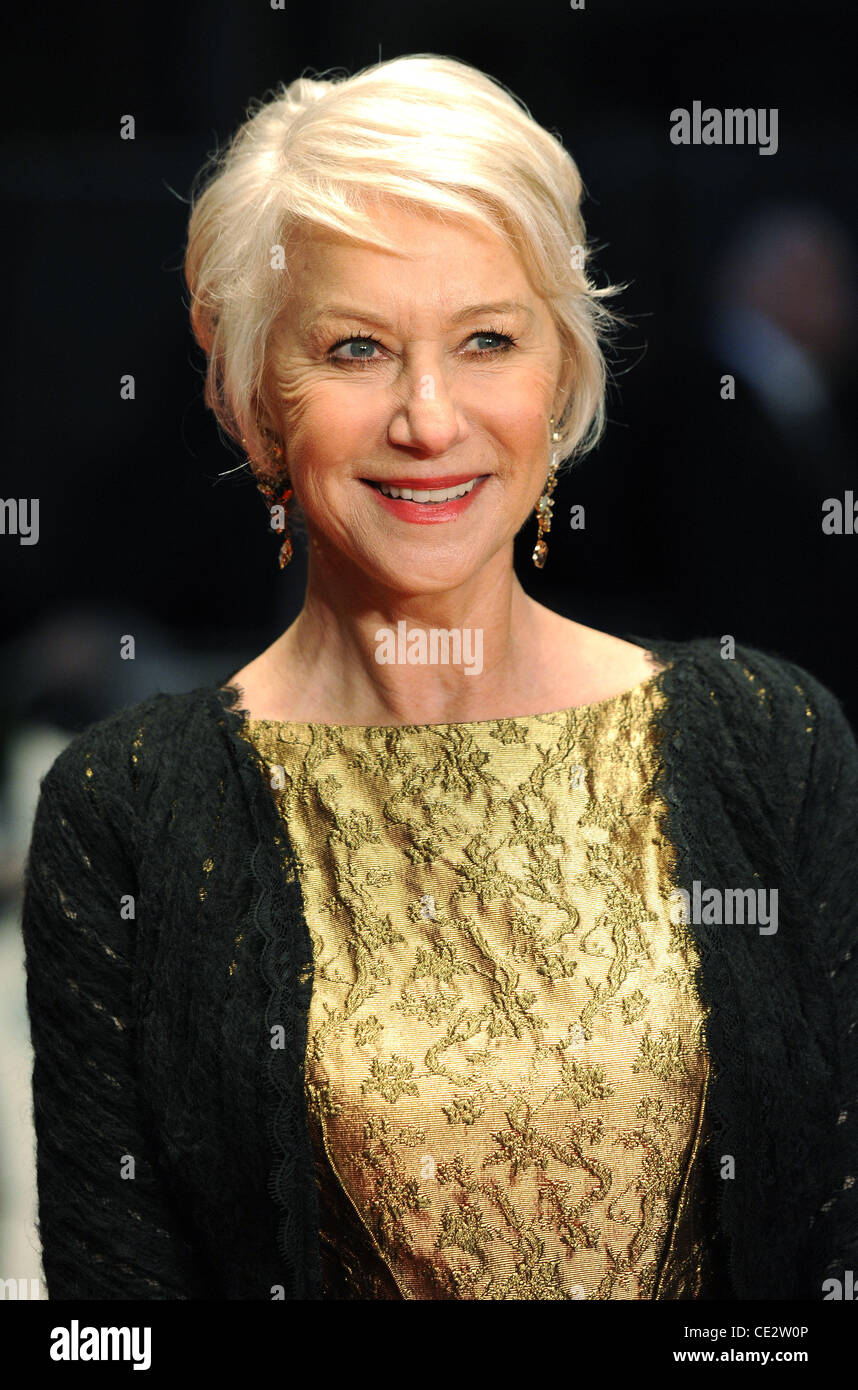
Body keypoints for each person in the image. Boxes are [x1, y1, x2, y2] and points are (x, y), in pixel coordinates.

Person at [21, 54, 857, 1301]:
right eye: (357, 347)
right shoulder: (124, 815)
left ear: (563, 370)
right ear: (253, 388)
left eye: (487, 341)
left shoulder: (769, 740)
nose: (429, 417)